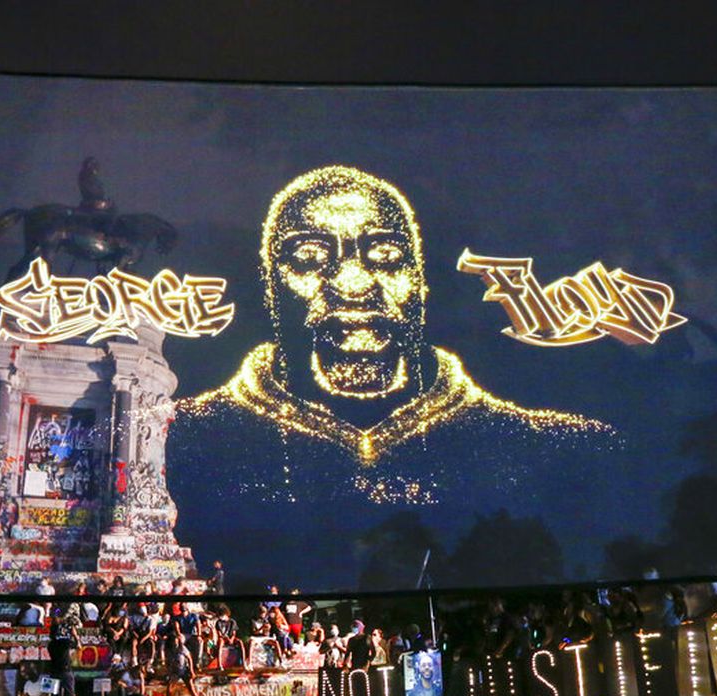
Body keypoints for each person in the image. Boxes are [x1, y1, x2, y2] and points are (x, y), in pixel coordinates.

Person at [168, 166, 616, 588]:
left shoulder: (556, 447)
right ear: (270, 289)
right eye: (309, 256)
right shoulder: (180, 438)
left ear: (421, 284)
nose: (353, 282)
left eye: (385, 255)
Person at [162, 629, 202, 696]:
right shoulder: (169, 650)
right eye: (173, 640)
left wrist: (191, 670)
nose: (175, 642)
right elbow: (167, 661)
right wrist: (168, 671)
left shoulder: (182, 648)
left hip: (184, 669)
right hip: (174, 671)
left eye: (176, 640)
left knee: (191, 688)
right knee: (169, 689)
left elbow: (189, 658)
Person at [48, 611, 79, 696]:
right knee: (71, 693)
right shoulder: (65, 643)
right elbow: (78, 646)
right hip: (65, 670)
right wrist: (75, 635)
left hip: (54, 670)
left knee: (53, 693)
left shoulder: (51, 644)